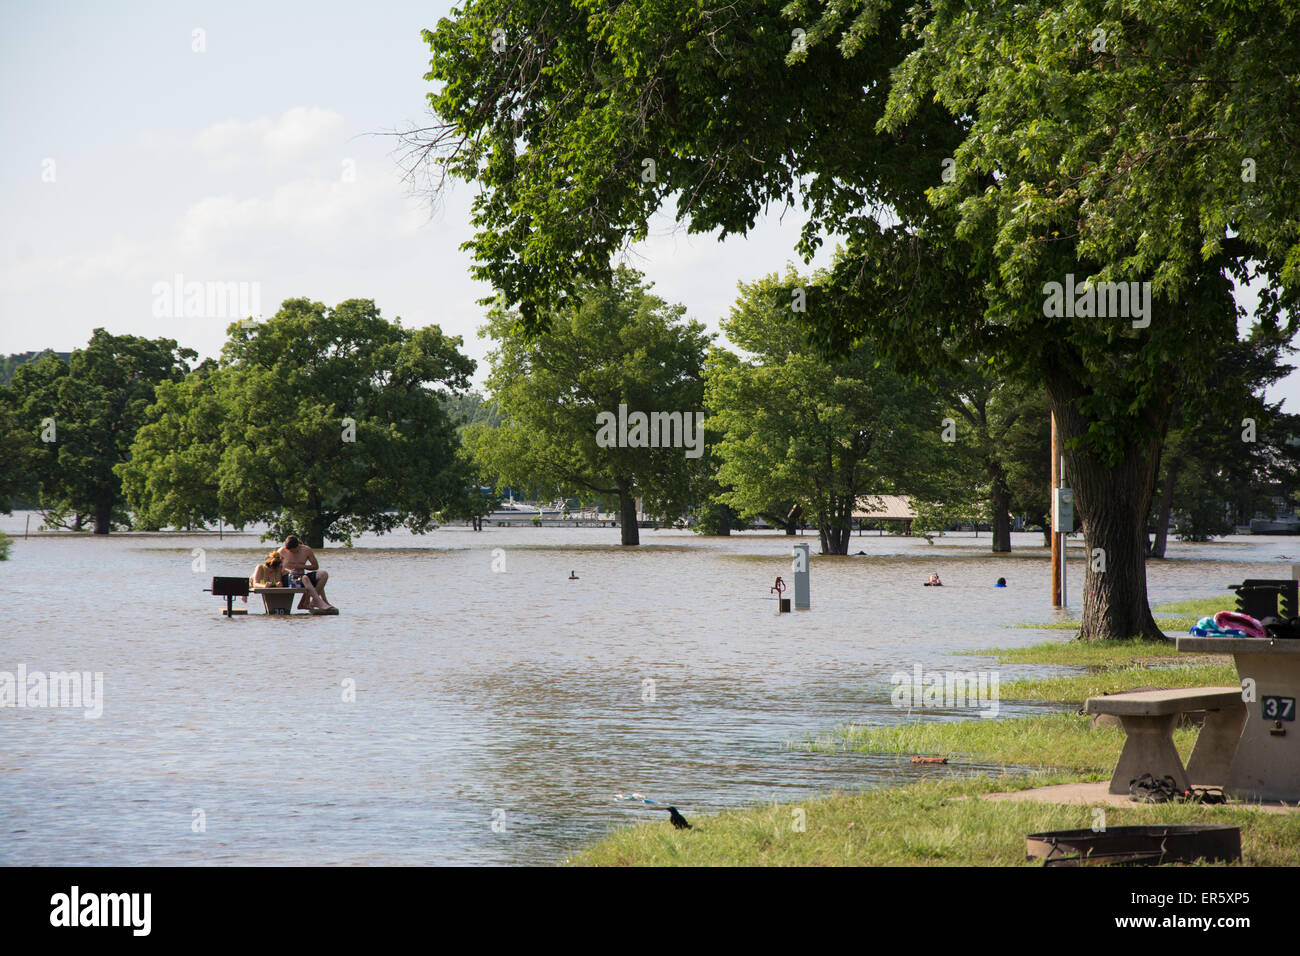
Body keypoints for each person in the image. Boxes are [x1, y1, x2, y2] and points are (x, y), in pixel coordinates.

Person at [278, 534, 334, 611]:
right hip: (288, 578)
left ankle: (313, 601)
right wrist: (289, 571)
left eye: (294, 550)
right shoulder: (282, 551)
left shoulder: (306, 550)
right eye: (290, 550)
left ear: (298, 546)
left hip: (302, 577)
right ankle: (315, 602)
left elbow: (315, 566)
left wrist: (301, 566)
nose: (292, 552)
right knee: (306, 578)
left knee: (323, 574)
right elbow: (275, 567)